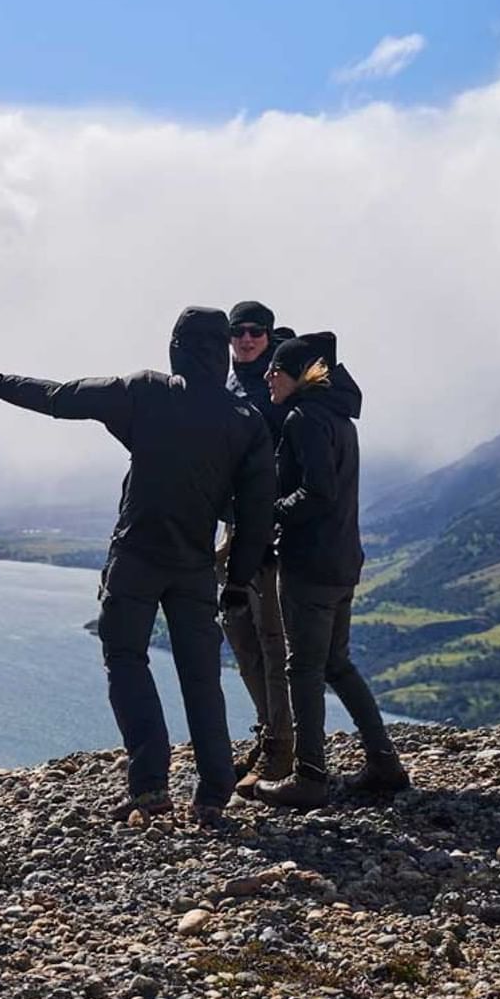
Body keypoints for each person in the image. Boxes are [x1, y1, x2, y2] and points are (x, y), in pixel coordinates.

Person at [0, 307, 275, 824]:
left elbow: (61, 398)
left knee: (126, 659)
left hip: (136, 558)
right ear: (220, 348)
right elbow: (256, 516)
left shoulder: (147, 391)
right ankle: (214, 793)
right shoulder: (245, 420)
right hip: (193, 566)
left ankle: (149, 787)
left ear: (176, 344)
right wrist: (237, 583)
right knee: (201, 677)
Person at [253, 332, 410, 809]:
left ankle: (310, 777)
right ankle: (384, 763)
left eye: (275, 370)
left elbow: (317, 492)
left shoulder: (303, 419)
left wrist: (270, 512)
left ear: (298, 375)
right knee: (337, 664)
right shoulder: (340, 417)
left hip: (310, 564)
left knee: (302, 667)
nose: (267, 377)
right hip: (343, 560)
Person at [221, 301, 293, 796]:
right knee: (239, 631)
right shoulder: (227, 384)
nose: (246, 339)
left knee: (270, 638)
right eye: (238, 332)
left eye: (255, 332)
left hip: (269, 531)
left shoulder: (278, 386)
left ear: (269, 336)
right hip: (233, 530)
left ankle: (281, 750)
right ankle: (270, 732)